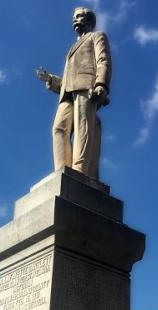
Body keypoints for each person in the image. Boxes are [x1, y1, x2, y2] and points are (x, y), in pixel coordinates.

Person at [37, 7, 112, 180]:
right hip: (68, 91)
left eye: (79, 16)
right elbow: (69, 78)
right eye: (74, 17)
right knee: (59, 128)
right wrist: (52, 79)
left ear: (90, 21)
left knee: (82, 126)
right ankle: (61, 171)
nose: (75, 19)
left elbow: (103, 61)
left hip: (87, 87)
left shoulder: (97, 36)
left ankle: (80, 170)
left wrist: (101, 83)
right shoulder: (72, 48)